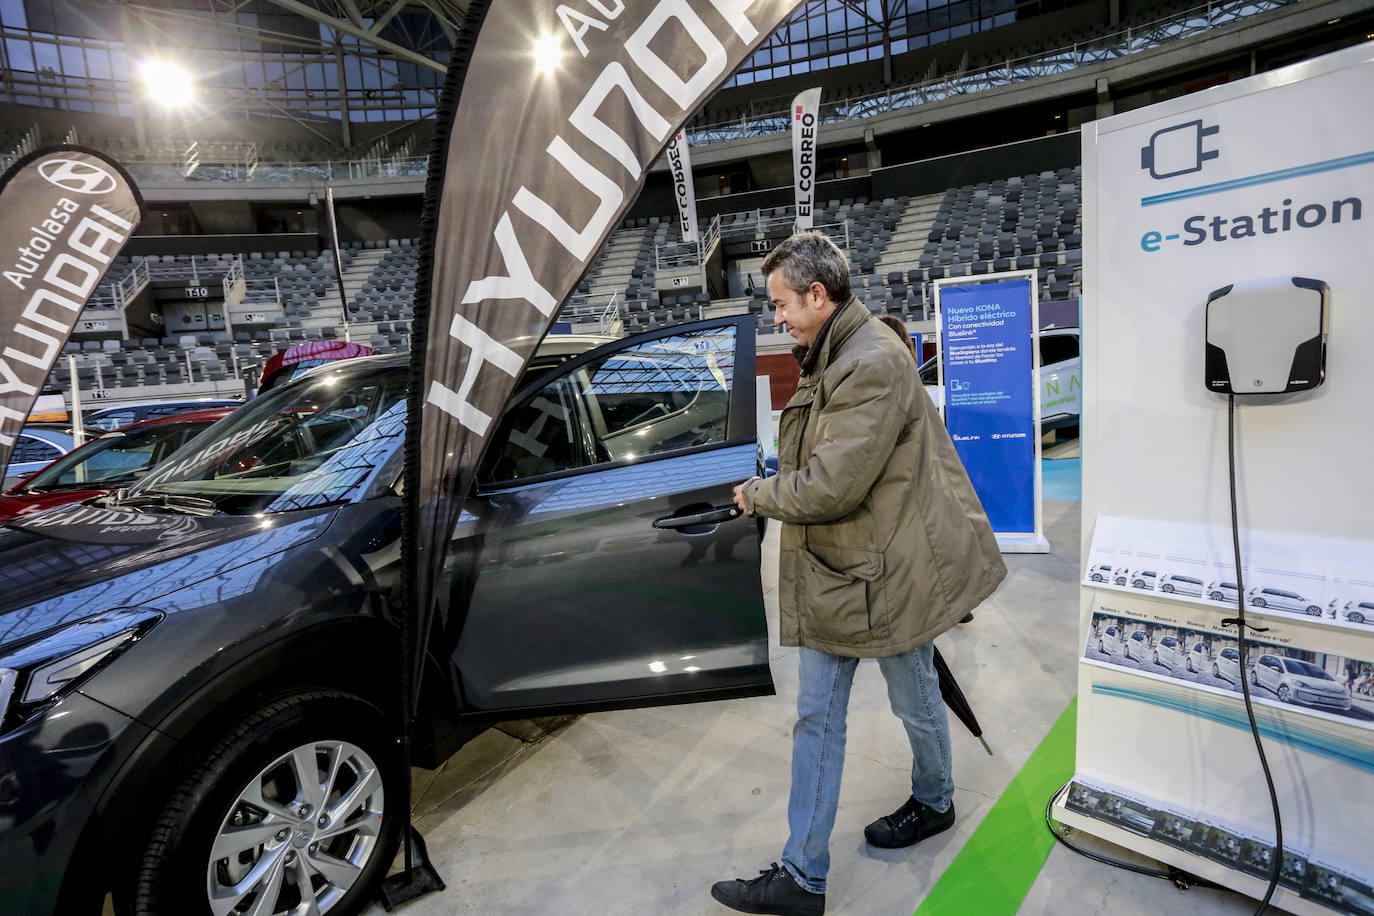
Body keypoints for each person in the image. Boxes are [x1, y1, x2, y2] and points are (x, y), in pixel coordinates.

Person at [711, 232, 1006, 915]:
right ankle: (803, 874)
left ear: (818, 295)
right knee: (825, 714)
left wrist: (759, 495)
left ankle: (932, 804)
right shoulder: (838, 351)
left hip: (876, 573)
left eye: (782, 304)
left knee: (907, 698)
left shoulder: (867, 360)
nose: (777, 317)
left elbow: (830, 488)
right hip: (851, 567)